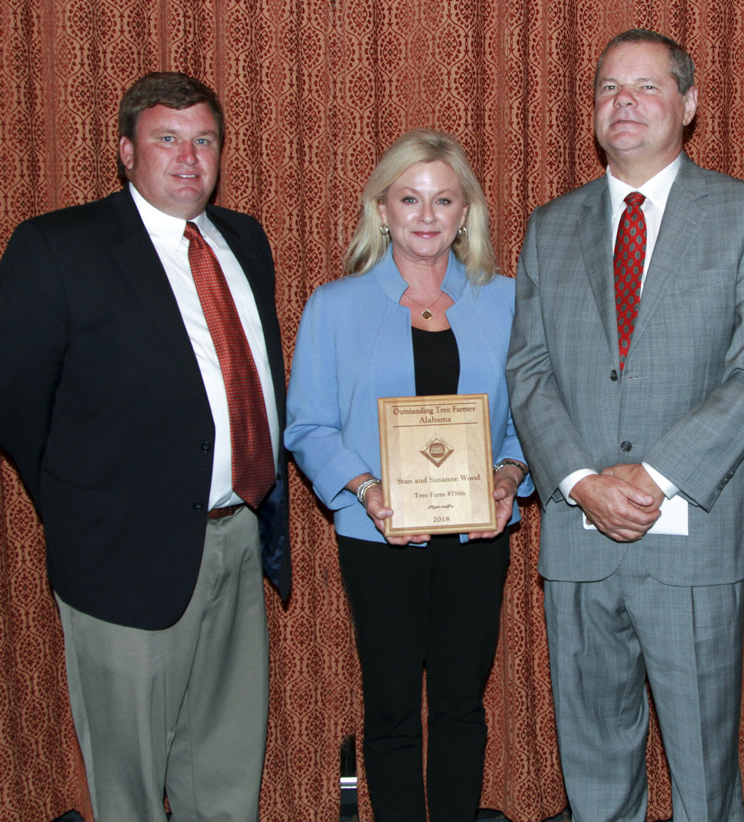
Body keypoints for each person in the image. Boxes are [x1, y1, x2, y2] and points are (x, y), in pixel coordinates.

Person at [0, 72, 291, 821]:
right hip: (120, 553)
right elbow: (5, 385)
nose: (188, 158)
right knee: (132, 786)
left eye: (204, 140)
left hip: (236, 538)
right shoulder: (59, 246)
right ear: (125, 152)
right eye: (167, 140)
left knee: (225, 768)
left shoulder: (243, 238)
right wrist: (82, 495)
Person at [506, 29, 744, 822]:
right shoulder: (549, 225)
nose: (622, 102)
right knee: (593, 758)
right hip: (579, 530)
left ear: (690, 104)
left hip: (692, 531)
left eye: (646, 87)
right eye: (607, 88)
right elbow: (528, 371)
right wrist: (580, 481)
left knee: (703, 766)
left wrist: (653, 477)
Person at [285, 128, 532, 822]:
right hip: (378, 537)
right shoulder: (335, 306)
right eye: (410, 198)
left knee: (460, 702)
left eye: (444, 199)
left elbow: (534, 417)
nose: (427, 215)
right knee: (391, 705)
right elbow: (307, 425)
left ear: (465, 213)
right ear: (382, 210)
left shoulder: (509, 301)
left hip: (478, 537)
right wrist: (365, 490)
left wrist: (511, 478)